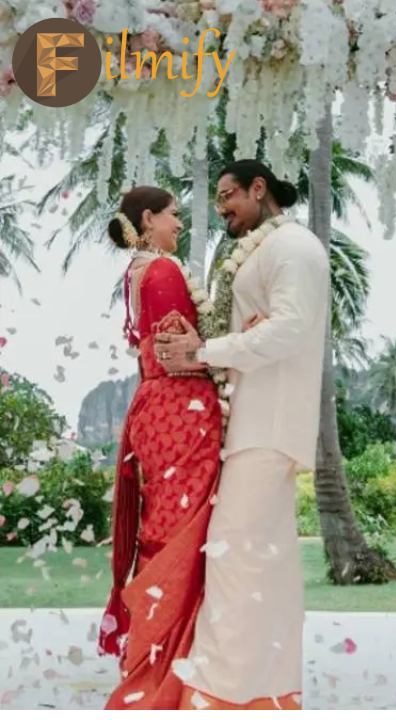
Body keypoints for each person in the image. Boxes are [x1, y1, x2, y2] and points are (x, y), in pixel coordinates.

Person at [154, 159, 329, 710]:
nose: (222, 206)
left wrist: (205, 351)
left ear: (260, 189)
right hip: (255, 420)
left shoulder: (293, 246)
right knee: (261, 562)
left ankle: (225, 693)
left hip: (268, 422)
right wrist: (222, 337)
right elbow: (268, 327)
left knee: (236, 558)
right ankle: (262, 691)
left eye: (229, 194)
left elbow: (290, 328)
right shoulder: (270, 248)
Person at [99, 186, 223, 709]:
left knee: (162, 533)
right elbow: (180, 353)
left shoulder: (136, 273)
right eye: (173, 215)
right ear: (148, 220)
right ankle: (168, 678)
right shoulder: (165, 272)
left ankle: (152, 660)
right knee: (183, 541)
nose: (180, 223)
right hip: (183, 414)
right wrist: (233, 351)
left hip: (154, 410)